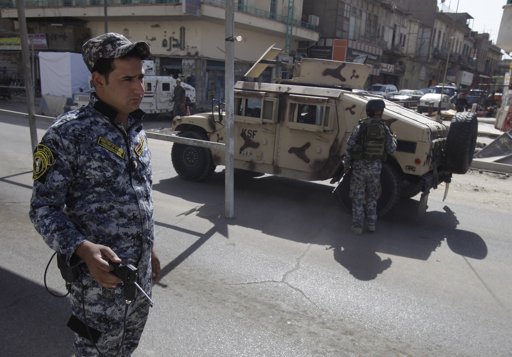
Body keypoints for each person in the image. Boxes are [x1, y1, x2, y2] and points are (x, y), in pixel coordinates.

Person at [30, 32, 161, 356]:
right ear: (98, 80)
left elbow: (139, 195)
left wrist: (150, 248)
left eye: (141, 77)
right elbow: (42, 208)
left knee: (126, 350)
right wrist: (82, 248)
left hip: (138, 279)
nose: (138, 88)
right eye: (127, 78)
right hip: (97, 288)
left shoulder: (134, 129)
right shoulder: (67, 134)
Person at [345, 99, 397, 235]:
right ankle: (372, 224)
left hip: (359, 169)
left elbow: (349, 146)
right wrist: (394, 137)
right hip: (375, 169)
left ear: (368, 111)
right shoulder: (384, 128)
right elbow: (391, 149)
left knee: (358, 197)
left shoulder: (360, 127)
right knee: (372, 198)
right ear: (381, 112)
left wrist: (346, 164)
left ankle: (357, 226)